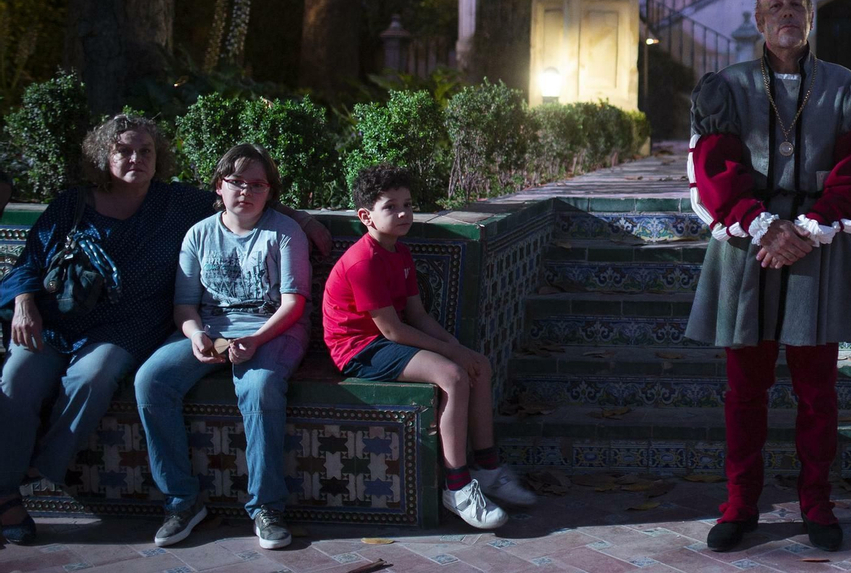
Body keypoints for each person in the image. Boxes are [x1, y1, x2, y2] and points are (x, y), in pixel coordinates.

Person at [0, 115, 329, 545]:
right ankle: (10, 494)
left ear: (158, 158)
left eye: (146, 151)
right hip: (55, 322)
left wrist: (298, 217)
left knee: (94, 378)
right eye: (124, 151)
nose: (136, 158)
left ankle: (38, 470)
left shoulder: (175, 203)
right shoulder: (72, 205)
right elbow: (28, 262)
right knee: (17, 379)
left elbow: (245, 196)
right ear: (104, 155)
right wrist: (24, 303)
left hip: (122, 329)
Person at [685, 0, 851, 554]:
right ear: (758, 18)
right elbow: (715, 173)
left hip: (817, 245)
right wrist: (762, 227)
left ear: (810, 18)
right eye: (776, 5)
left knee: (817, 391)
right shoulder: (724, 88)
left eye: (796, 6)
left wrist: (809, 226)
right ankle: (739, 503)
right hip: (746, 246)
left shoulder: (848, 88)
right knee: (744, 390)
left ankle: (816, 502)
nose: (787, 14)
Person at [321, 165, 535, 530]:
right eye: (391, 207)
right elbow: (391, 330)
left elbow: (417, 315)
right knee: (452, 376)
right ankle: (457, 487)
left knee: (477, 364)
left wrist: (456, 346)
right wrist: (451, 355)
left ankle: (487, 469)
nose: (404, 213)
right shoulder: (363, 261)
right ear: (365, 216)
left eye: (408, 204)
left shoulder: (400, 253)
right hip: (358, 349)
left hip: (386, 340)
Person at [133, 144, 311, 550]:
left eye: (258, 184)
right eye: (236, 182)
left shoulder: (284, 232)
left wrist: (256, 339)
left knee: (259, 387)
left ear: (270, 191)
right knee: (151, 380)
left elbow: (293, 303)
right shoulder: (199, 234)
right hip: (211, 329)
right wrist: (196, 335)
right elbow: (184, 303)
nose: (246, 191)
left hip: (274, 330)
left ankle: (267, 506)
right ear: (219, 185)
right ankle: (182, 500)